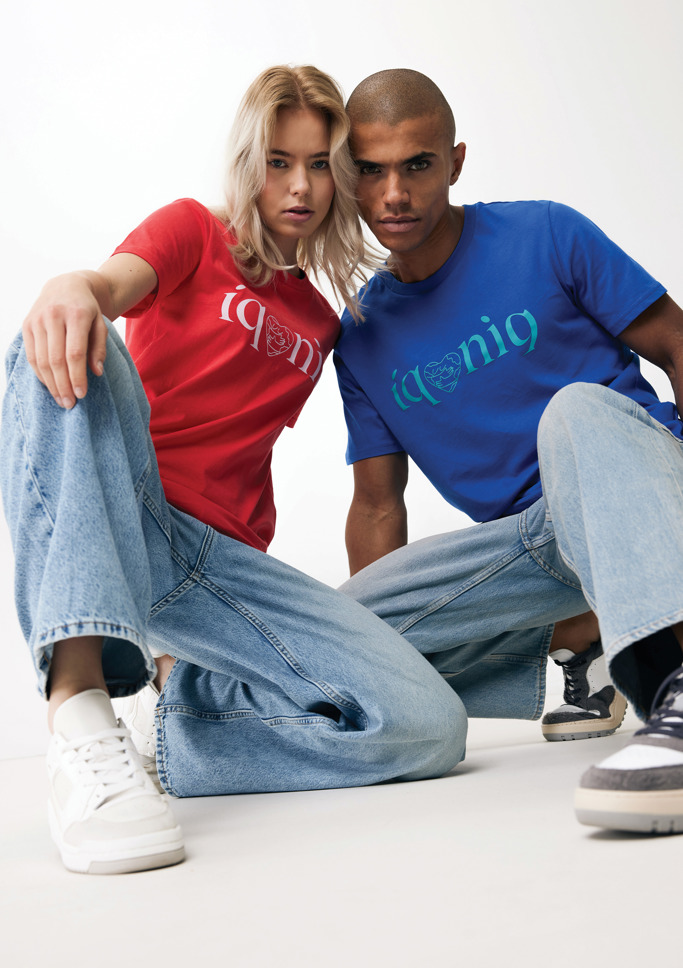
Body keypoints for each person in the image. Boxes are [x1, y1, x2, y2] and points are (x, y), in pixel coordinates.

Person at [0, 65, 465, 876]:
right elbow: (111, 286)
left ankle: (179, 734)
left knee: (427, 724)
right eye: (278, 162)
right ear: (250, 162)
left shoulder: (321, 320)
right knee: (70, 335)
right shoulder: (192, 231)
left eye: (318, 165)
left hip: (221, 563)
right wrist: (74, 285)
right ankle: (80, 714)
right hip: (130, 508)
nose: (299, 186)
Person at [334, 68, 683, 833]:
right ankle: (586, 637)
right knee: (330, 645)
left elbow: (674, 342)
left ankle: (671, 685)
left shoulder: (544, 233)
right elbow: (377, 505)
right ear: (343, 175)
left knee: (572, 412)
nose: (394, 193)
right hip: (534, 552)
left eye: (417, 165)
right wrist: (372, 650)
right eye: (370, 170)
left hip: (639, 484)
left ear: (454, 163)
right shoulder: (360, 337)